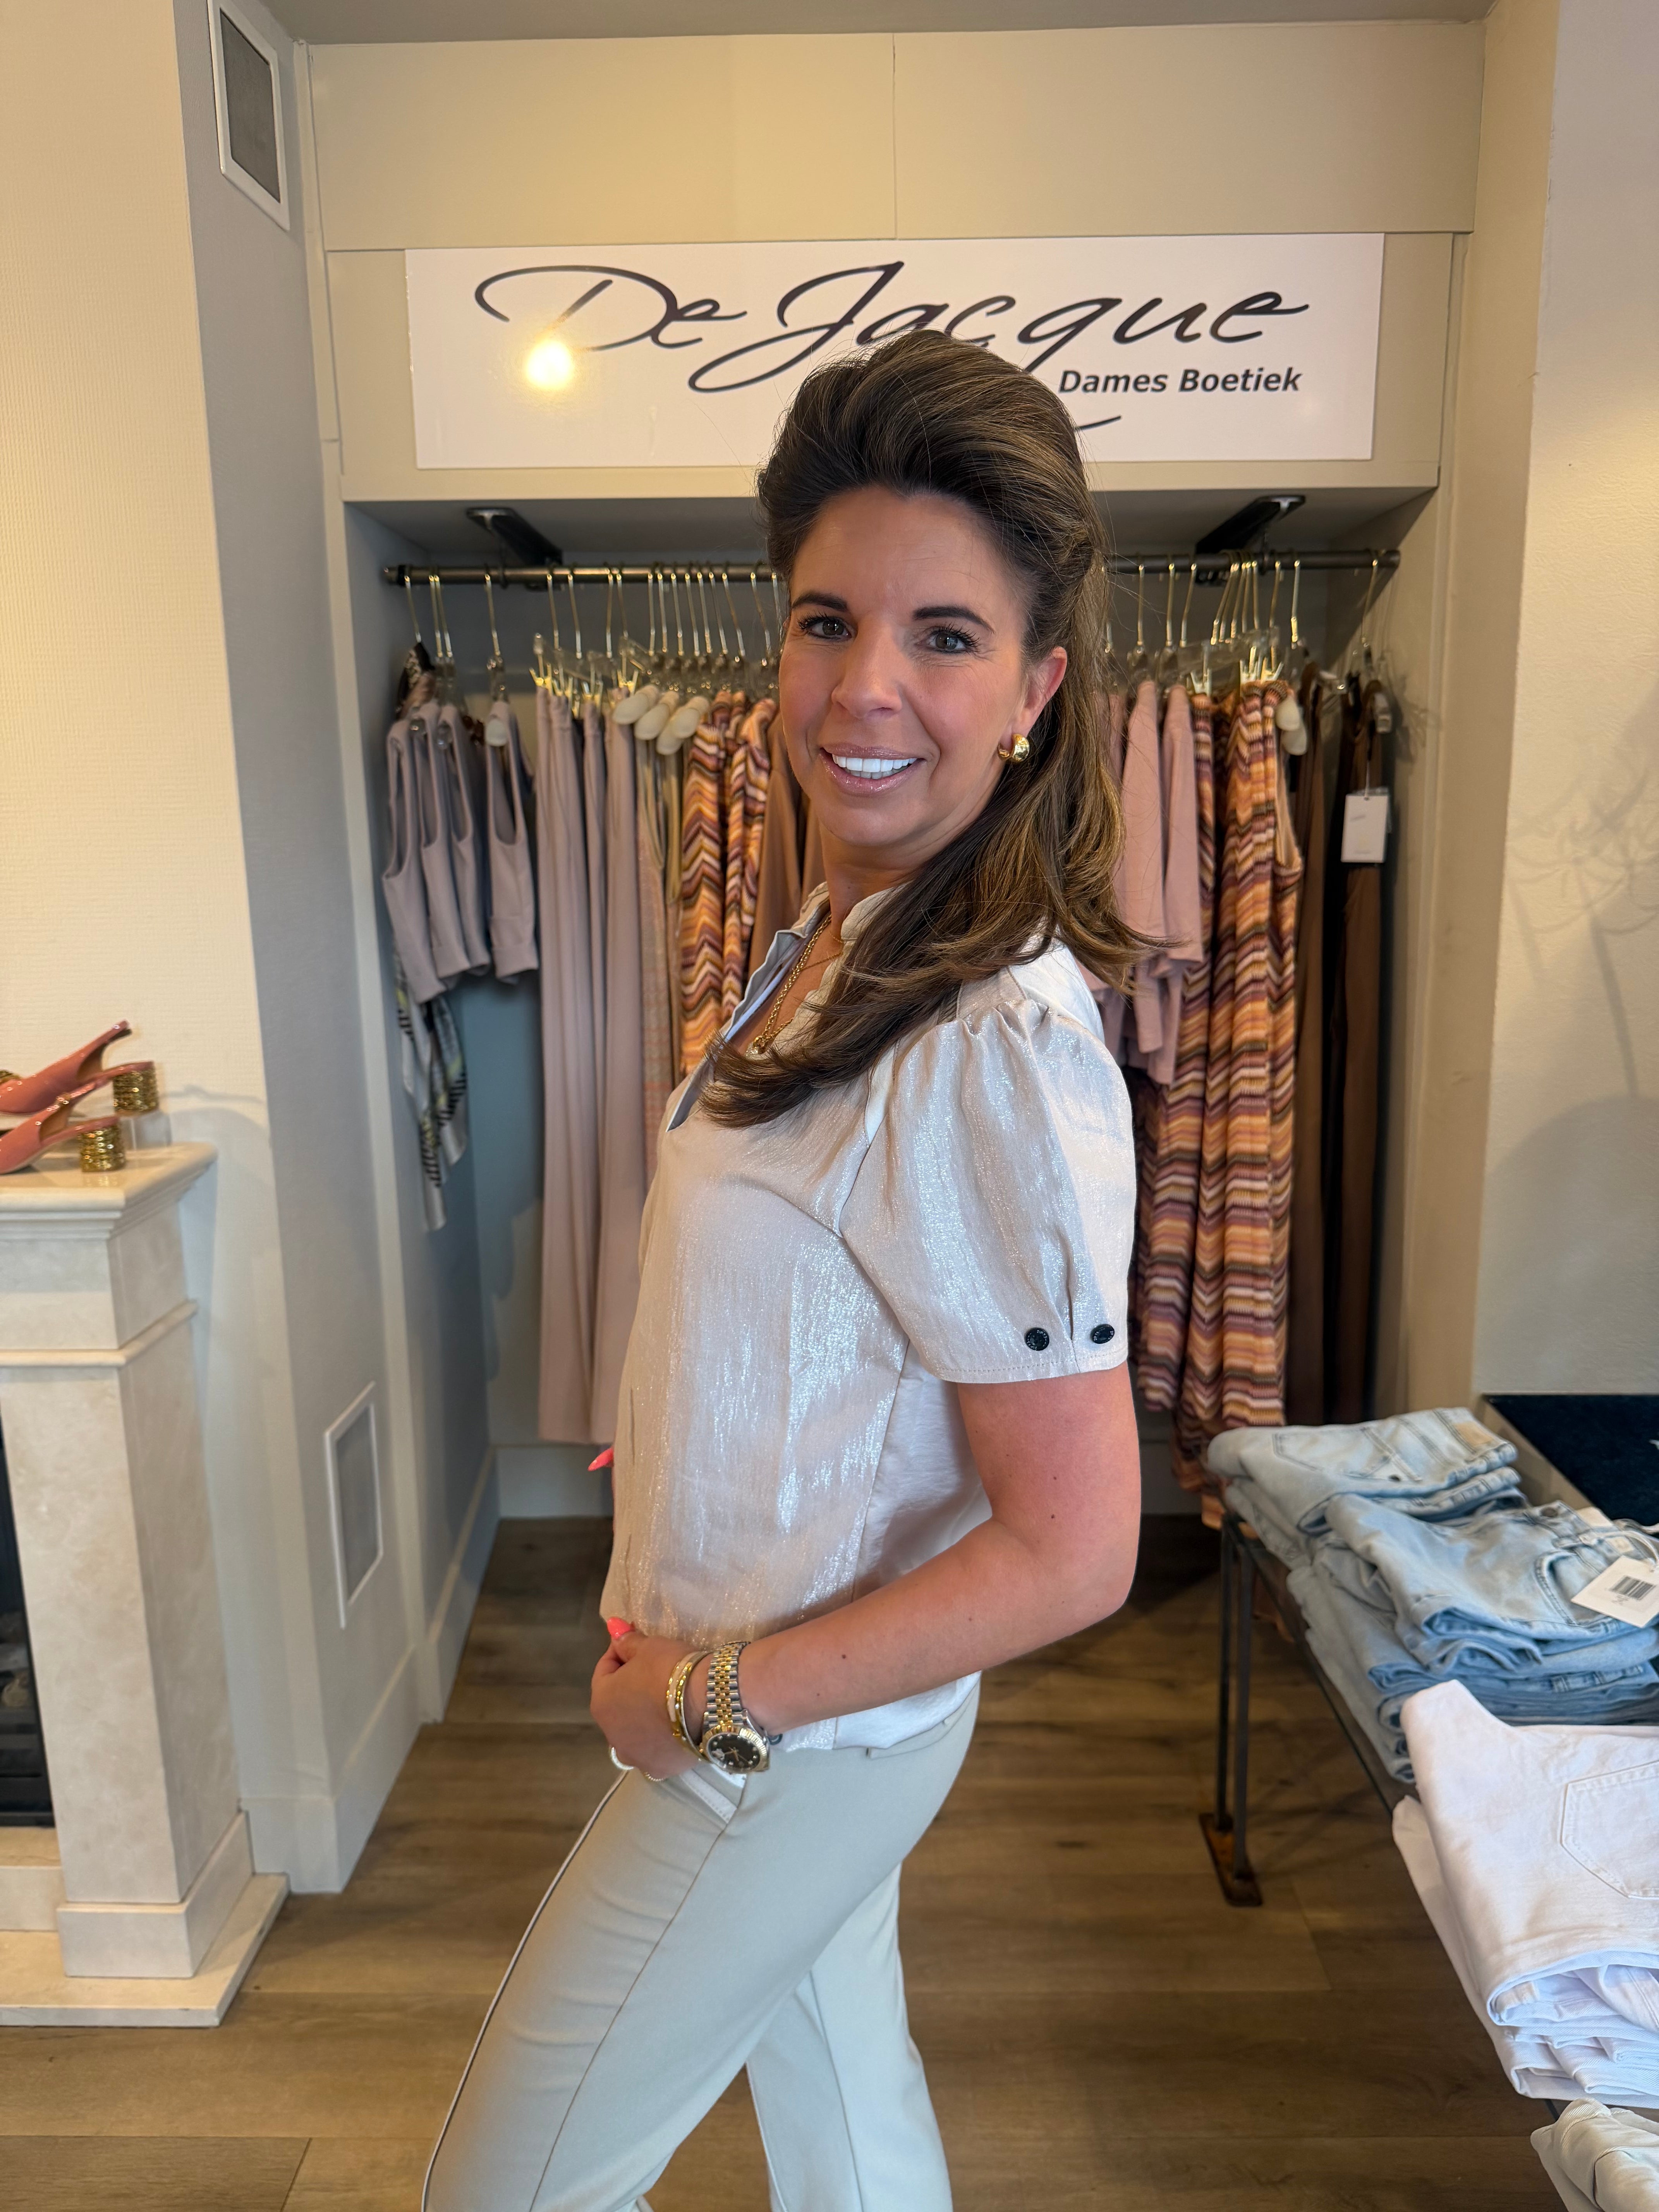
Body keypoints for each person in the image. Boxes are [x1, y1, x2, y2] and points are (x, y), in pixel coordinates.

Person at [425, 330, 1145, 2212]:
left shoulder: (992, 1040)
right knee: (850, 2128)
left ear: (1036, 691)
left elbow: (1076, 1549)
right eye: (828, 620)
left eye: (944, 637)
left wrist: (712, 1697)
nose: (865, 685)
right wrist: (681, 1448)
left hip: (778, 1749)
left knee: (503, 2188)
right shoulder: (835, 932)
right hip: (776, 1704)